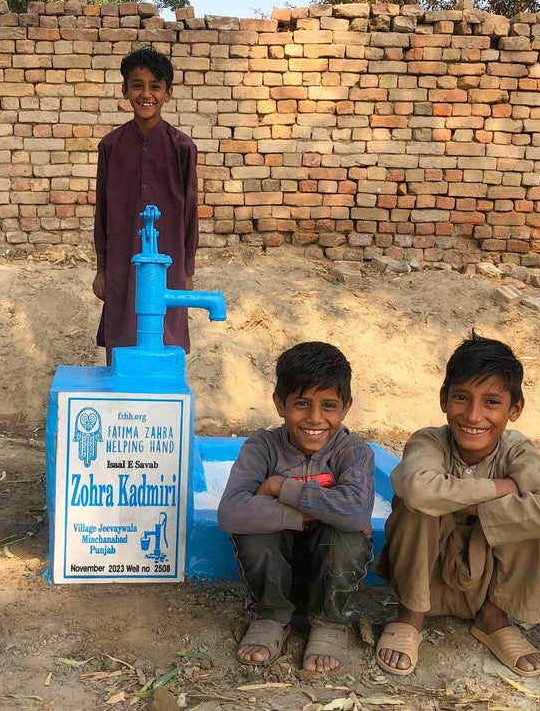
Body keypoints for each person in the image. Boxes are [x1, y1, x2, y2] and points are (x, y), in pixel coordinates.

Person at [374, 334, 540, 677]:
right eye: (462, 398)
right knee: (417, 507)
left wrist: (462, 503)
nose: (474, 415)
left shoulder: (518, 451)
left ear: (515, 409)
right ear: (444, 399)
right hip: (430, 576)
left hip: (488, 581)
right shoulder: (428, 441)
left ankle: (494, 617)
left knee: (532, 521)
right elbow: (419, 490)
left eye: (491, 402)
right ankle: (410, 616)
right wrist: (497, 489)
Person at [217, 342, 375, 674]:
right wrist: (306, 514)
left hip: (331, 565)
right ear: (280, 403)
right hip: (276, 565)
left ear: (346, 407)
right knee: (252, 531)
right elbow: (231, 512)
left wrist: (279, 487)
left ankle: (329, 621)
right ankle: (272, 613)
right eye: (302, 404)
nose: (315, 418)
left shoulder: (353, 450)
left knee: (347, 534)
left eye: (328, 405)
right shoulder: (262, 447)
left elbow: (357, 513)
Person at [93, 46, 199, 363]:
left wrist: (187, 269)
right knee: (122, 338)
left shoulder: (182, 147)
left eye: (155, 85)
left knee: (166, 340)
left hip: (169, 263)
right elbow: (103, 213)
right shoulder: (111, 146)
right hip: (121, 262)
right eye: (137, 85)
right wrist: (101, 268)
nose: (146, 94)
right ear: (125, 90)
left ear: (168, 92)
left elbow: (190, 213)